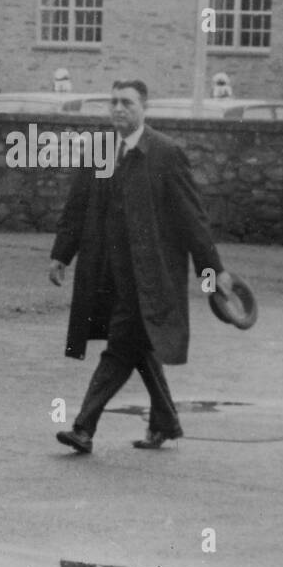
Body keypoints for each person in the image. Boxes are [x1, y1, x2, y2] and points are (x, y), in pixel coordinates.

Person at [50, 78, 233, 453]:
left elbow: (192, 220)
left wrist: (212, 272)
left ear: (144, 107)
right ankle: (166, 422)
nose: (118, 109)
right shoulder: (100, 150)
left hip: (150, 276)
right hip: (107, 273)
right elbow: (77, 207)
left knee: (120, 347)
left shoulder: (166, 154)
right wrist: (61, 255)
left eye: (127, 103)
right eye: (113, 101)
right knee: (139, 346)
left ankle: (84, 428)